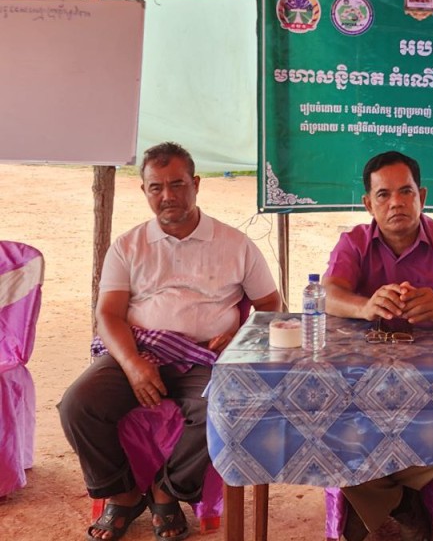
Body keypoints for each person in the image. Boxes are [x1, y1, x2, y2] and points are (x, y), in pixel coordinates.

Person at [59, 142, 282, 541]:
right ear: (144, 190)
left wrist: (238, 334)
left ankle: (168, 490)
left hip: (205, 357)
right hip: (141, 350)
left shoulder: (235, 244)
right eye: (156, 187)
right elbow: (108, 314)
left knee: (223, 407)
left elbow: (270, 304)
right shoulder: (128, 246)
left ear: (196, 184)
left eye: (177, 184)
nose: (167, 195)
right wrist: (132, 364)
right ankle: (123, 494)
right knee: (79, 404)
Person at [323, 150, 433, 541]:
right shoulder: (353, 242)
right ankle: (400, 503)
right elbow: (327, 293)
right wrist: (365, 306)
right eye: (384, 194)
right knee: (334, 432)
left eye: (406, 191)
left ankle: (383, 500)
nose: (396, 202)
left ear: (421, 196)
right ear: (368, 204)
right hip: (365, 384)